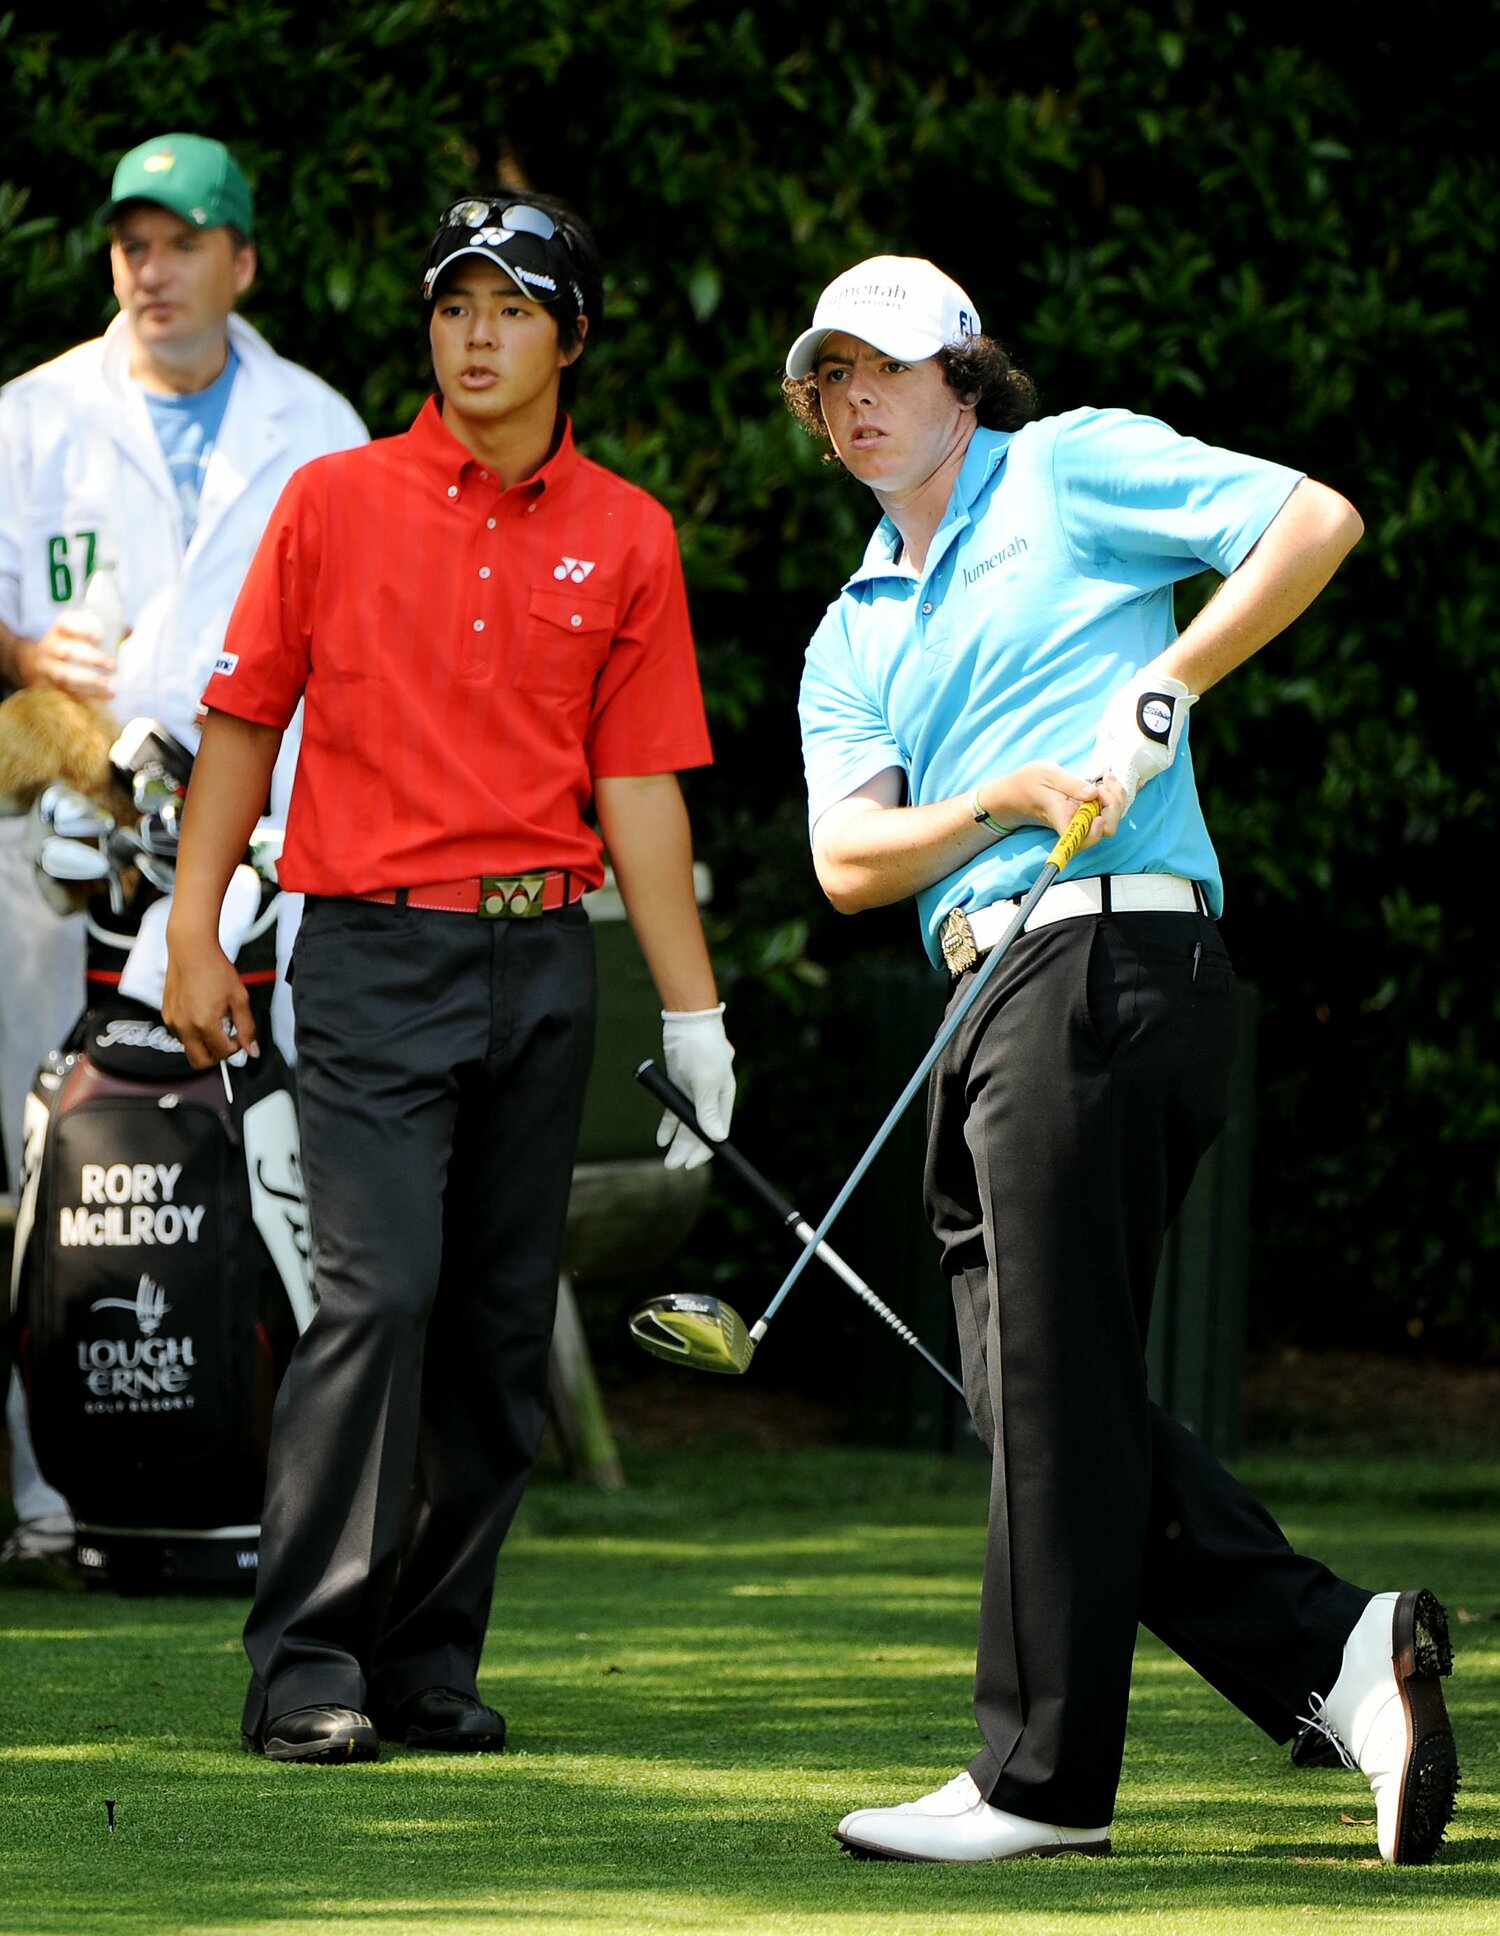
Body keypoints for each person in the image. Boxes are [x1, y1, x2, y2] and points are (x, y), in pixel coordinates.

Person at [781, 256, 1458, 1865]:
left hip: (1106, 954)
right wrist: (997, 802)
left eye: (887, 368)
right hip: (985, 989)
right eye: (828, 379)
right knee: (1046, 1398)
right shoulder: (851, 626)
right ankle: (1341, 1657)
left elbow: (1314, 521)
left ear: (964, 376)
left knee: (1050, 1392)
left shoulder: (1069, 466)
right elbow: (849, 860)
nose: (856, 399)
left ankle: (1041, 1784)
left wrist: (1167, 678)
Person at [162, 190, 735, 1765]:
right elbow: (241, 725)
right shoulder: (333, 501)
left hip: (542, 953)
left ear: (572, 337)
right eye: (453, 306)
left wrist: (693, 1013)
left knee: (494, 1327)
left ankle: (425, 1659)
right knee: (382, 1296)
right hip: (364, 947)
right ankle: (306, 1669)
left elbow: (639, 791)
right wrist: (196, 930)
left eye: (511, 308)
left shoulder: (629, 533)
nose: (475, 336)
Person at [0, 131, 365, 1565]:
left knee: (264, 1165)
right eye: (132, 244)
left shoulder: (320, 427)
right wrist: (28, 652)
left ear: (243, 260)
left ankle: (257, 1469)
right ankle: (49, 1498)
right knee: (40, 1169)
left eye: (183, 242)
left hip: (261, 856)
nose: (152, 271)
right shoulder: (28, 415)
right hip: (52, 854)